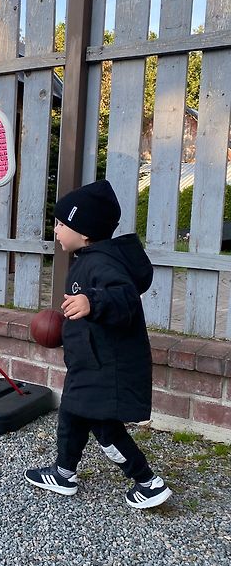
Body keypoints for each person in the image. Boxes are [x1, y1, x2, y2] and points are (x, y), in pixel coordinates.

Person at [25, 179, 172, 509]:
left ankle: (148, 482)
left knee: (104, 427)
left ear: (84, 231)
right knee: (72, 413)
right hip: (89, 362)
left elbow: (126, 298)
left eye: (62, 224)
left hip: (107, 366)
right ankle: (63, 473)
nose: (56, 230)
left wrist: (92, 301)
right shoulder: (87, 258)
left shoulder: (103, 263)